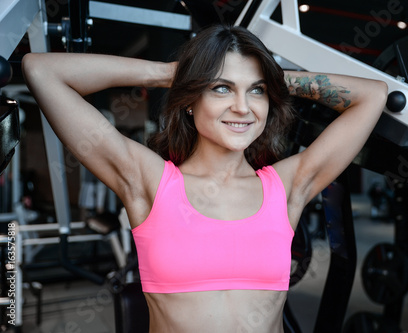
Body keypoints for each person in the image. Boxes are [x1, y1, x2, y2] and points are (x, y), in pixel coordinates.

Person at [22, 25, 387, 332]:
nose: (243, 107)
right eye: (221, 88)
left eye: (256, 91)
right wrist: (172, 73)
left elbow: (372, 96)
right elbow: (41, 70)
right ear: (191, 98)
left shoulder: (287, 187)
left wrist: (271, 78)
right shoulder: (149, 183)